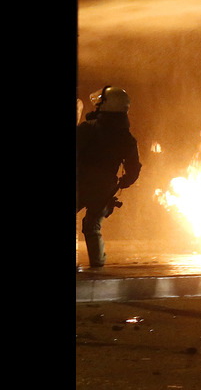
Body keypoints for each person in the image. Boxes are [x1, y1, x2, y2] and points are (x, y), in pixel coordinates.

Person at [76, 86, 142, 269]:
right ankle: (97, 264)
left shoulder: (87, 129)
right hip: (105, 187)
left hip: (82, 183)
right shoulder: (127, 138)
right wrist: (121, 184)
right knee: (92, 225)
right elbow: (133, 169)